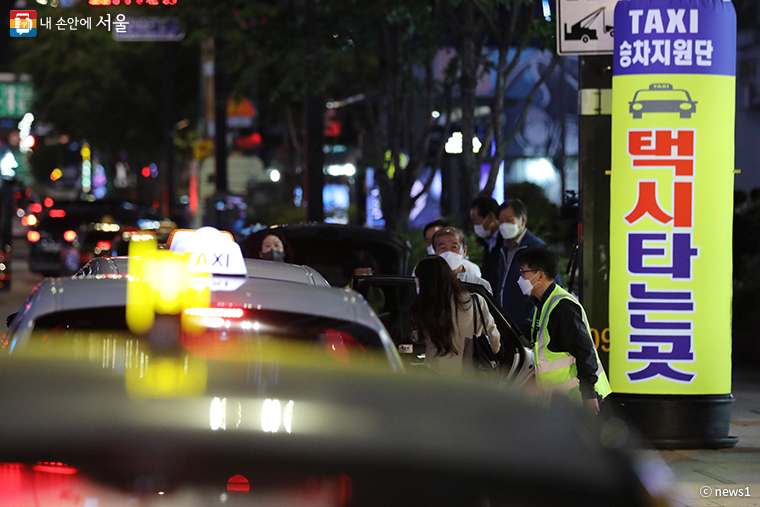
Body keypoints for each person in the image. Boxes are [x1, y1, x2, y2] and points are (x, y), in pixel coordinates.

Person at [518, 246, 611, 414]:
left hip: (580, 402)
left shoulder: (562, 308)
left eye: (524, 272)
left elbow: (584, 352)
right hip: (562, 402)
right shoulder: (544, 305)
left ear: (540, 275)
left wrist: (589, 397)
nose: (521, 277)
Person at [407, 255, 500, 377]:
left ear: (422, 281)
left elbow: (415, 339)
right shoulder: (475, 301)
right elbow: (495, 344)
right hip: (469, 379)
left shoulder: (422, 307)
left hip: (434, 378)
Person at [494, 199, 558, 336]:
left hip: (527, 326)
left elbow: (552, 284)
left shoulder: (536, 248)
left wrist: (531, 315)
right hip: (506, 324)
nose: (504, 225)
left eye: (509, 220)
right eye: (501, 221)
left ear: (522, 221)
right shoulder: (503, 248)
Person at [432, 226, 492, 293]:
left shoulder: (480, 285)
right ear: (435, 252)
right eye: (442, 248)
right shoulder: (429, 285)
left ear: (464, 251)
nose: (448, 252)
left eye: (454, 247)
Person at [469, 196, 502, 288]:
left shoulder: (507, 243)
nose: (475, 226)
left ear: (490, 217)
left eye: (476, 221)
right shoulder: (486, 242)